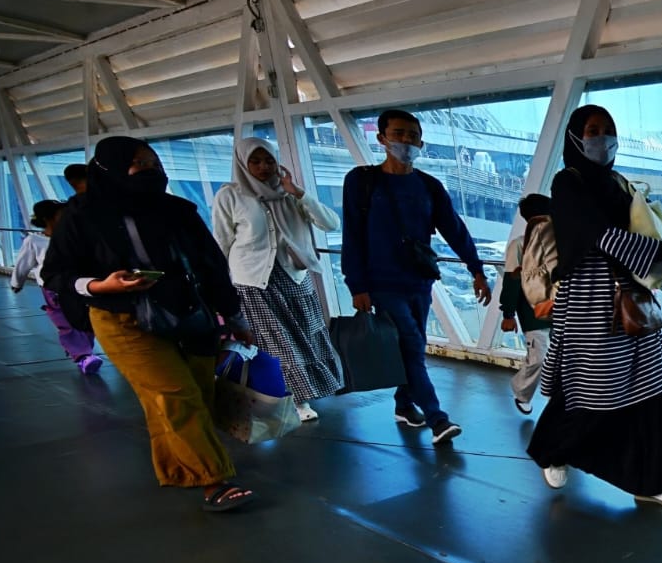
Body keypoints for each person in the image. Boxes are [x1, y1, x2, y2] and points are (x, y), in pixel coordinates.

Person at [42, 136, 256, 513]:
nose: (149, 169)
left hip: (186, 311)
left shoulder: (177, 210)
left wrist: (234, 316)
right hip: (122, 318)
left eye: (153, 162)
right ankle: (213, 480)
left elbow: (211, 266)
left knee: (197, 392)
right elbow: (56, 273)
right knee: (175, 393)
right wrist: (99, 285)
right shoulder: (82, 215)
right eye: (138, 163)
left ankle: (177, 468)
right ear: (109, 168)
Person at [526, 105, 662, 507]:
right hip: (589, 301)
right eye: (593, 130)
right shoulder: (567, 183)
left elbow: (649, 223)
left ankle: (653, 479)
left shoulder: (619, 183)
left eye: (608, 130)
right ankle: (552, 450)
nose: (602, 139)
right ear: (575, 136)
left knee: (654, 387)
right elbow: (604, 237)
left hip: (630, 297)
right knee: (594, 390)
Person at [341, 108, 493, 445]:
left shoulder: (428, 186)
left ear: (421, 142)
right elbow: (352, 235)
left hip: (419, 281)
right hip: (382, 284)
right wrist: (357, 284)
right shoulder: (362, 182)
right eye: (398, 133)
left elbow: (454, 229)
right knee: (411, 344)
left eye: (412, 135)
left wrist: (476, 269)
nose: (406, 141)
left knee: (414, 346)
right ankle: (437, 419)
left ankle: (403, 404)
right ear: (381, 138)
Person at [212, 137, 342, 421]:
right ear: (243, 163)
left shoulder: (289, 194)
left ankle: (304, 392)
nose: (263, 167)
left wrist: (298, 193)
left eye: (269, 160)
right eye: (255, 161)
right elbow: (222, 241)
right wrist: (218, 286)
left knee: (307, 337)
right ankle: (295, 400)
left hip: (294, 277)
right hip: (253, 281)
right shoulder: (230, 195)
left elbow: (331, 223)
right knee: (278, 343)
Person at [11, 199, 101, 374]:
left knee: (84, 320)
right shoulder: (34, 241)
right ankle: (83, 356)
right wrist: (17, 282)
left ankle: (83, 352)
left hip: (76, 285)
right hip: (53, 289)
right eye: (62, 214)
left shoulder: (72, 238)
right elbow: (23, 263)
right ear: (48, 218)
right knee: (64, 321)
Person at [498, 193, 553, 415]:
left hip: (559, 310)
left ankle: (558, 400)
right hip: (533, 312)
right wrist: (508, 314)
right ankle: (521, 390)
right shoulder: (519, 245)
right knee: (539, 357)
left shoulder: (556, 242)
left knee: (559, 358)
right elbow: (511, 281)